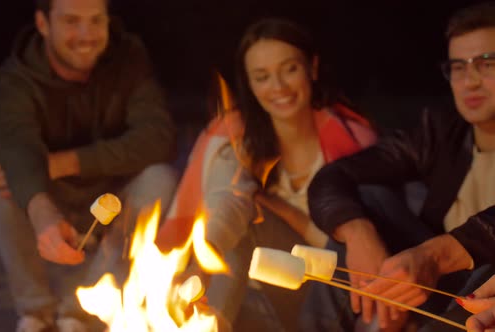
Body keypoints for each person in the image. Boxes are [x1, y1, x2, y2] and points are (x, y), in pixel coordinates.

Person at [156, 17, 376, 331]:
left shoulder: (355, 142)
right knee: (236, 220)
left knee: (253, 217)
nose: (278, 88)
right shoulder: (236, 137)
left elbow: (347, 248)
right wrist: (200, 265)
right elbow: (228, 202)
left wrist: (276, 208)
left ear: (312, 68)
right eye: (262, 77)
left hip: (325, 297)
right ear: (249, 83)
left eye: (289, 69)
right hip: (246, 295)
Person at [0, 0, 177, 331]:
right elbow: (18, 150)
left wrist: (63, 162)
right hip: (46, 200)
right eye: (72, 21)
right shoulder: (11, 82)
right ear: (43, 23)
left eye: (95, 21)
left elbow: (158, 138)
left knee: (159, 177)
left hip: (111, 196)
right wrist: (43, 213)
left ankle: (80, 311)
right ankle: (36, 313)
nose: (86, 35)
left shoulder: (128, 60)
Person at [297, 2, 495, 331]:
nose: (469, 81)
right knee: (366, 204)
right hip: (440, 286)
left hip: (483, 298)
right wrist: (358, 234)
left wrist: (435, 255)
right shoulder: (440, 134)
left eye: (487, 63)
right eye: (458, 67)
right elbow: (334, 176)